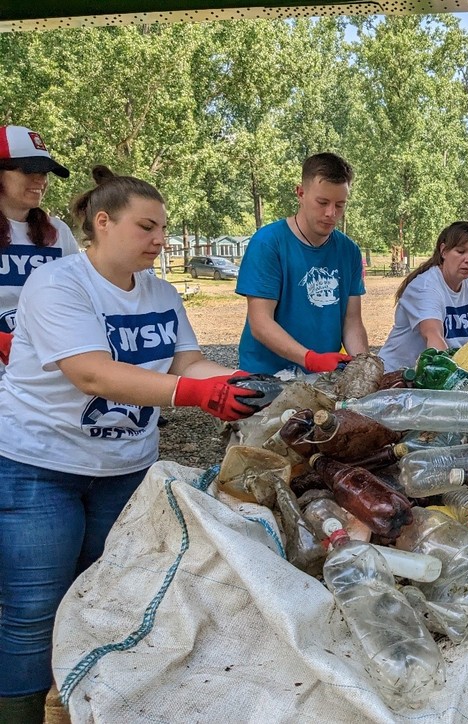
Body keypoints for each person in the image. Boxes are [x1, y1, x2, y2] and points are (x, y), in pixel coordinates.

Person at [0, 166, 271, 723]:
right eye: (147, 227)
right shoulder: (58, 284)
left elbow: (185, 360)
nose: (160, 240)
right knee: (32, 608)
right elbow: (93, 374)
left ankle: (80, 707)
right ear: (103, 222)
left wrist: (238, 383)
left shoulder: (160, 291)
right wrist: (195, 394)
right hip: (38, 465)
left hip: (126, 468)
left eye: (163, 228)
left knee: (111, 596)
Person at [236, 152, 367, 375]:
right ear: (301, 193)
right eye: (322, 202)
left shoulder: (349, 251)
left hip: (322, 376)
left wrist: (363, 367)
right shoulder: (268, 243)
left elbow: (351, 321)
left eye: (340, 205)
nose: (331, 213)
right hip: (267, 375)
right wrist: (310, 359)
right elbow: (260, 322)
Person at [0, 125, 80, 376]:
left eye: (45, 172)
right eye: (29, 170)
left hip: (41, 371)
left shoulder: (58, 232)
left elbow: (74, 297)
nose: (41, 180)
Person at [378, 221, 468, 371]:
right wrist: (456, 377)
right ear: (444, 251)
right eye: (461, 251)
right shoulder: (425, 287)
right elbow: (433, 335)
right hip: (397, 377)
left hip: (435, 374)